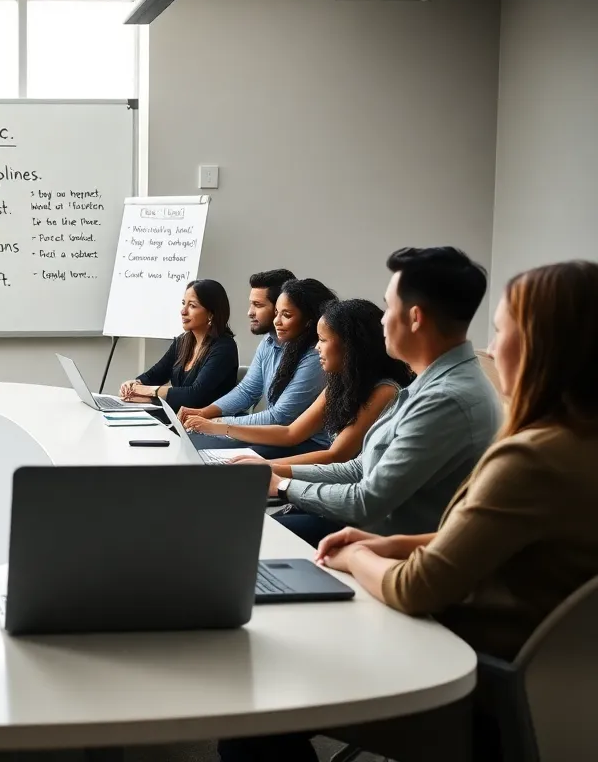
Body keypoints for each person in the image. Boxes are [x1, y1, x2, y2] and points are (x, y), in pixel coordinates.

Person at [224, 261, 598, 762]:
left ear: (541, 345)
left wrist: (355, 554)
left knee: (256, 701)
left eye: (501, 330)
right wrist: (387, 543)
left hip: (463, 676)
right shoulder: (568, 443)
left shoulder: (524, 452)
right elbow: (504, 540)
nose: (491, 347)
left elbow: (417, 586)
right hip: (522, 678)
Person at [265, 247, 501, 546]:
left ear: (415, 318)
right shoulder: (430, 383)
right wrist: (271, 472)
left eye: (388, 308)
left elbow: (366, 502)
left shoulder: (446, 399)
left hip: (375, 547)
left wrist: (283, 486)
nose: (382, 321)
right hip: (360, 531)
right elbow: (359, 468)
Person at [191, 299, 412, 464]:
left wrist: (265, 467)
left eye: (323, 340)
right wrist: (218, 427)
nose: (317, 347)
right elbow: (291, 433)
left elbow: (337, 456)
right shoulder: (339, 383)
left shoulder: (384, 391)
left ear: (351, 346)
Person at [182, 277, 336, 457]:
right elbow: (247, 390)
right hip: (276, 435)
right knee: (192, 441)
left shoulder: (315, 357)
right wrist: (204, 413)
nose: (276, 321)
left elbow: (280, 418)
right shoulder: (269, 341)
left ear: (309, 320)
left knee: (211, 455)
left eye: (286, 315)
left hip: (305, 444)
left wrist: (217, 424)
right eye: (277, 312)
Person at [117, 279, 239, 410]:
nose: (183, 311)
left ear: (211, 313)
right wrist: (134, 384)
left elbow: (194, 396)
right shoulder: (182, 342)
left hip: (205, 421)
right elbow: (155, 375)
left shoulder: (224, 348)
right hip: (176, 416)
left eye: (192, 306)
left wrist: (149, 392)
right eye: (183, 303)